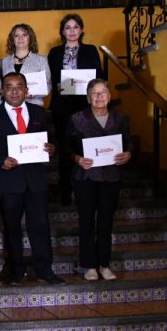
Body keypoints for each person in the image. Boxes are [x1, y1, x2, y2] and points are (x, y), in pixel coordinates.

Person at [0, 72, 65, 286]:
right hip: (9, 181)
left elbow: (52, 141)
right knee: (11, 227)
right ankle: (16, 270)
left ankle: (44, 270)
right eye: (9, 87)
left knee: (40, 225)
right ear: (2, 91)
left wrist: (52, 148)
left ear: (26, 90)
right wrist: (1, 161)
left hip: (36, 180)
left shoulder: (39, 113)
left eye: (19, 87)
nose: (14, 91)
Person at [66, 79, 133, 281]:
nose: (99, 97)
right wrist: (77, 158)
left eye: (103, 92)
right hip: (85, 176)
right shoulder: (77, 119)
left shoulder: (121, 119)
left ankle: (104, 264)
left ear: (109, 96)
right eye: (94, 93)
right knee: (87, 220)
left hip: (110, 176)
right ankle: (89, 266)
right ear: (88, 98)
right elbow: (67, 147)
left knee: (106, 221)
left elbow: (129, 143)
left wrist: (128, 154)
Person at [48, 13, 105, 206]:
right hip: (62, 105)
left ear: (81, 30)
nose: (71, 31)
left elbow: (99, 77)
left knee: (84, 146)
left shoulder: (90, 50)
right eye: (67, 28)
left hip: (84, 105)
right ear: (62, 31)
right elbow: (50, 79)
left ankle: (87, 189)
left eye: (75, 27)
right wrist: (55, 85)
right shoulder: (55, 53)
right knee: (65, 147)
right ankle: (65, 189)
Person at [0, 24, 51, 107]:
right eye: (16, 35)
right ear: (12, 39)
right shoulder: (4, 62)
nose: (20, 38)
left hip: (34, 106)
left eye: (24, 35)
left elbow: (48, 85)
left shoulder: (42, 60)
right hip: (9, 108)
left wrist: (34, 94)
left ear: (30, 38)